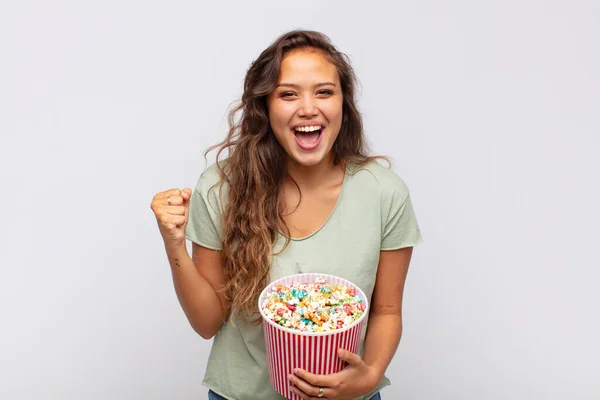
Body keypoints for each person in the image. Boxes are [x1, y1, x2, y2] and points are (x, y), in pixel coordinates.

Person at [150, 29, 423, 400]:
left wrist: (370, 375)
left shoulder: (384, 192)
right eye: (288, 94)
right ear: (265, 106)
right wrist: (175, 245)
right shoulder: (220, 187)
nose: (308, 108)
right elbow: (206, 322)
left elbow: (387, 311)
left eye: (324, 92)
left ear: (344, 103)